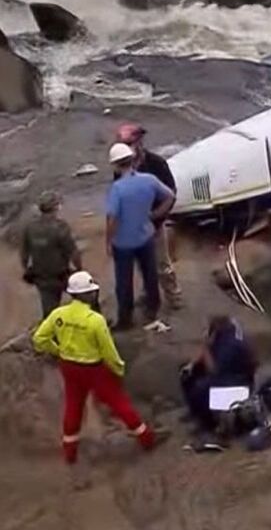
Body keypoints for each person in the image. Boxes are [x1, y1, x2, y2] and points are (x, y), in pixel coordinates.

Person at [31, 271, 157, 464]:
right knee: (118, 402)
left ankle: (70, 452)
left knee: (73, 406)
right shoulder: (95, 320)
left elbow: (39, 338)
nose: (94, 294)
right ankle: (146, 438)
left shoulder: (59, 314)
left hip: (69, 366)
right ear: (85, 294)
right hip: (93, 368)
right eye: (91, 291)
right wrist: (118, 369)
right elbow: (108, 351)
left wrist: (57, 351)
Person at [106, 142, 175, 330]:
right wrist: (156, 214)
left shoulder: (117, 189)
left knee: (124, 282)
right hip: (145, 236)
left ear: (115, 165)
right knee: (150, 275)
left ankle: (125, 320)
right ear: (132, 160)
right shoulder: (149, 180)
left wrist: (108, 241)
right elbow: (170, 196)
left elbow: (112, 218)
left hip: (124, 243)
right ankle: (153, 309)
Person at [116, 123, 182, 309]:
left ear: (139, 142)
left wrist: (156, 216)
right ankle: (148, 293)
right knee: (143, 264)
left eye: (129, 143)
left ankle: (173, 296)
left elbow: (171, 192)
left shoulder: (156, 164)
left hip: (155, 223)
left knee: (162, 263)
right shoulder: (121, 167)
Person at [180, 315, 257, 432]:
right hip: (227, 373)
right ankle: (194, 412)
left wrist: (205, 346)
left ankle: (208, 425)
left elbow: (214, 369)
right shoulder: (222, 332)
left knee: (200, 389)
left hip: (237, 382)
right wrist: (193, 365)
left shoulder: (231, 342)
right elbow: (211, 353)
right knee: (187, 375)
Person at [20, 190, 82, 318]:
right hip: (61, 274)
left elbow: (24, 253)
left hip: (41, 275)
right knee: (86, 295)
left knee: (50, 311)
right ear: (55, 207)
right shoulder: (60, 227)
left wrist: (27, 269)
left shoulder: (30, 227)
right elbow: (72, 251)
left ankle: (51, 334)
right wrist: (79, 270)